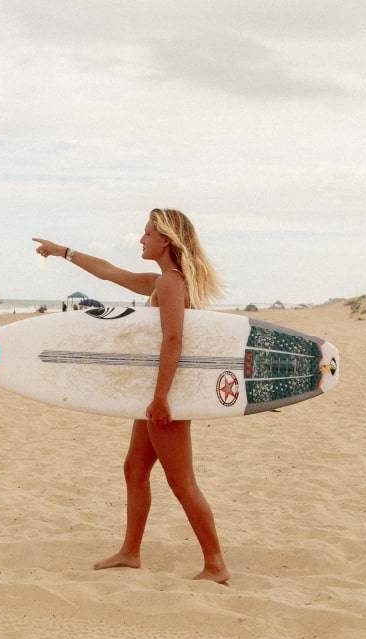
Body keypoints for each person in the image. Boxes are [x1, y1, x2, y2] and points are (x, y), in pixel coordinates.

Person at [33, 208, 229, 583]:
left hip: (165, 396)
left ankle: (216, 564)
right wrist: (63, 252)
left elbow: (174, 339)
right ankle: (130, 551)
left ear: (165, 241)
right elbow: (110, 272)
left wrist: (160, 398)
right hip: (157, 394)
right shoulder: (162, 281)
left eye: (147, 234)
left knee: (181, 482)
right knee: (134, 470)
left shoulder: (171, 283)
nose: (141, 239)